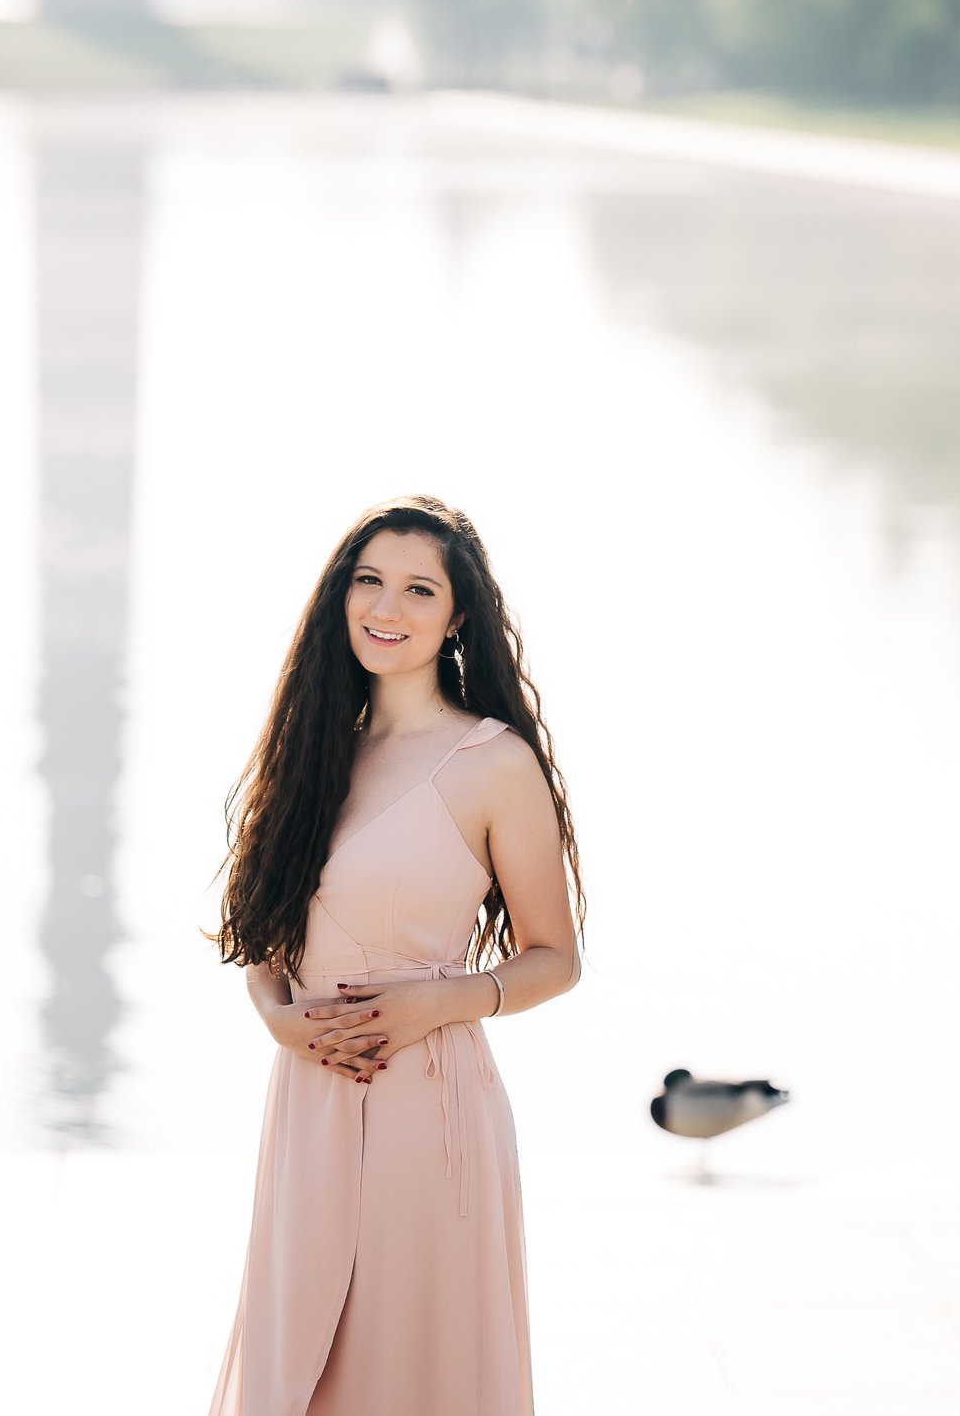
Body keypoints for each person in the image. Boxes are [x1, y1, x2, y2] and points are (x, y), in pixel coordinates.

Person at [204, 494, 585, 1416]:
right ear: (340, 597)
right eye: (369, 580)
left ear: (458, 618)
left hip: (429, 1102)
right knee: (296, 1376)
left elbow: (554, 957)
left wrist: (437, 1004)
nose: (388, 607)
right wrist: (276, 1017)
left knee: (406, 1371)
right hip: (310, 1099)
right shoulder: (311, 745)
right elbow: (262, 931)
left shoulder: (493, 761)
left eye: (420, 589)